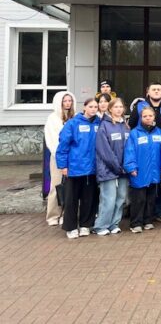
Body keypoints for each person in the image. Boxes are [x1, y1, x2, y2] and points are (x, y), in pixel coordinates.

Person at [56, 98, 101, 239]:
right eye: (91, 106)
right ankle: (70, 227)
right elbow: (63, 145)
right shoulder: (73, 123)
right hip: (75, 168)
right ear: (84, 107)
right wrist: (63, 165)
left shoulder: (99, 123)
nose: (93, 109)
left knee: (89, 199)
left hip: (92, 169)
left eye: (96, 107)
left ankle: (85, 225)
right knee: (71, 200)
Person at [93, 97, 129, 236]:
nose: (118, 110)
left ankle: (114, 224)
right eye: (116, 107)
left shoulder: (125, 126)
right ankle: (101, 225)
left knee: (121, 198)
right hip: (108, 169)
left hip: (123, 170)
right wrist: (117, 166)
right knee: (109, 199)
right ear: (110, 109)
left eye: (120, 107)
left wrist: (127, 165)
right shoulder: (104, 126)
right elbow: (104, 150)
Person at [124, 107, 161, 233]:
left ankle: (148, 221)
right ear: (141, 117)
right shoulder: (134, 133)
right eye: (145, 116)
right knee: (139, 199)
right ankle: (136, 223)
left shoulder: (159, 132)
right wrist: (131, 167)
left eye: (150, 116)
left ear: (154, 117)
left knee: (151, 199)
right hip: (139, 172)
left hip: (154, 172)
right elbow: (129, 151)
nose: (148, 118)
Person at [44, 91, 76, 226]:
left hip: (74, 158)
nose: (68, 103)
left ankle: (65, 214)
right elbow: (51, 139)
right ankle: (53, 215)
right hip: (58, 157)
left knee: (70, 188)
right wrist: (59, 155)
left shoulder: (75, 117)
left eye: (70, 101)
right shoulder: (53, 118)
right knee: (56, 186)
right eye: (65, 101)